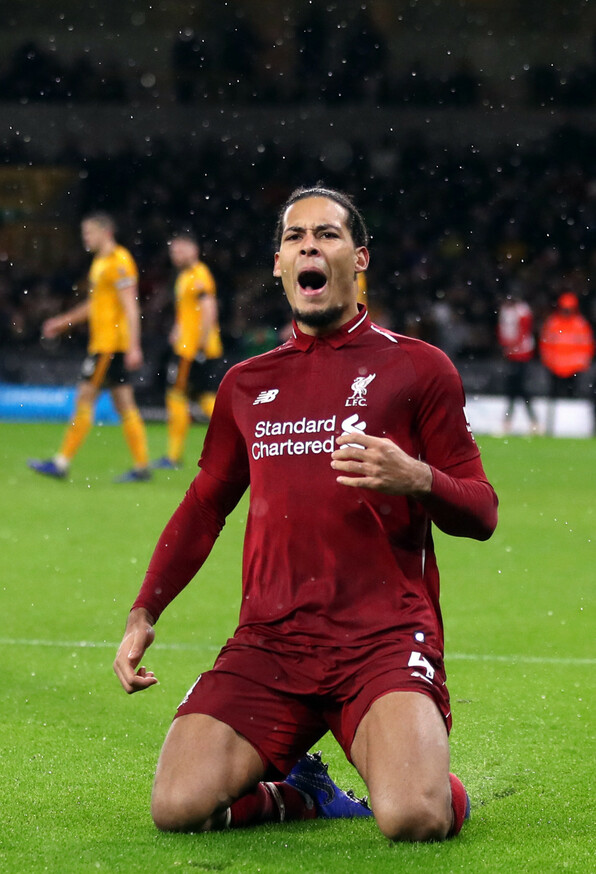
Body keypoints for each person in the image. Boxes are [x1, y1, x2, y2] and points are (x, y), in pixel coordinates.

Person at [114, 186, 497, 843]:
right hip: (271, 641)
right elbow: (206, 505)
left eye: (327, 234)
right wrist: (144, 611)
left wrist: (417, 478)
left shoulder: (418, 367)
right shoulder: (247, 384)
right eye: (295, 238)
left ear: (360, 258)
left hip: (381, 638)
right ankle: (299, 795)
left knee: (412, 817)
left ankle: (425, 780)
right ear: (278, 265)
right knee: (177, 806)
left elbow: (481, 510)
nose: (309, 246)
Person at [28, 213, 150, 482]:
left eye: (89, 233)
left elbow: (131, 305)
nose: (86, 239)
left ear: (106, 232)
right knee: (124, 403)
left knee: (84, 398)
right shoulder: (100, 263)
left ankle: (61, 463)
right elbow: (96, 306)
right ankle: (142, 467)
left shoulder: (119, 262)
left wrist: (134, 346)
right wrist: (62, 322)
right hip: (108, 343)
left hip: (109, 345)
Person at [152, 233, 224, 471]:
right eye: (173, 251)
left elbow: (208, 309)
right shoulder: (184, 276)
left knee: (176, 396)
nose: (176, 255)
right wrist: (177, 329)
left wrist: (200, 344)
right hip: (189, 345)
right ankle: (239, 437)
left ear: (193, 249)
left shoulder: (198, 275)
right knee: (203, 396)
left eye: (180, 250)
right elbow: (188, 312)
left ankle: (173, 456)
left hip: (192, 349)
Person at [537, 291, 594, 436]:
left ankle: (572, 429)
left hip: (574, 370)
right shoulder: (553, 323)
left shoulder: (580, 325)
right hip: (555, 369)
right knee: (555, 398)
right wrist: (549, 362)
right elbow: (545, 345)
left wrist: (580, 364)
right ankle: (553, 427)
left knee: (572, 400)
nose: (567, 312)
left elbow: (588, 347)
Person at [496, 291, 540, 436]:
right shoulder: (507, 311)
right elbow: (502, 330)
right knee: (517, 388)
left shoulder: (522, 311)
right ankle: (532, 422)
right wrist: (507, 346)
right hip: (513, 354)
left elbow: (523, 332)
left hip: (522, 354)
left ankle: (511, 422)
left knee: (516, 388)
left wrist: (510, 346)